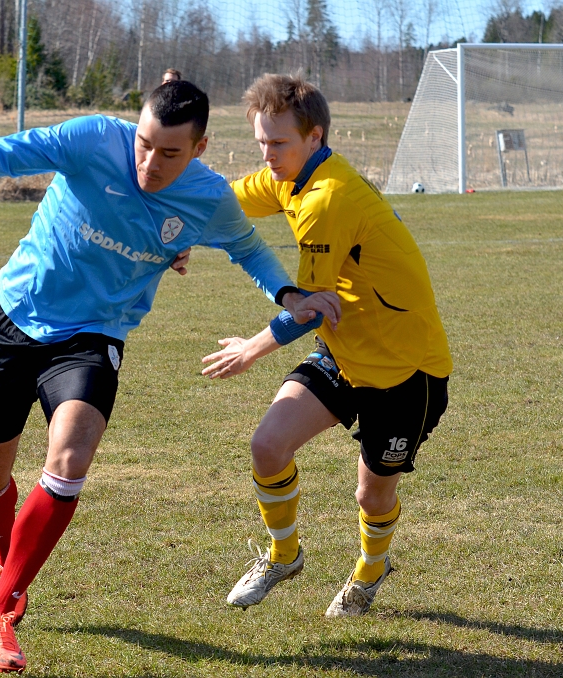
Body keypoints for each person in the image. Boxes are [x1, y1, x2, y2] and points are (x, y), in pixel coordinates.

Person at [0, 80, 334, 672]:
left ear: (199, 148)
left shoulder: (209, 198)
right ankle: (9, 557)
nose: (149, 163)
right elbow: (8, 153)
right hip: (13, 316)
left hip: (93, 336)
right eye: (143, 144)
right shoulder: (91, 139)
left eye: (169, 153)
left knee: (70, 458)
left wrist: (288, 293)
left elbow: (247, 247)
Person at [202, 73, 452, 618]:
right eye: (261, 142)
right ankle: (283, 556)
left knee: (371, 495)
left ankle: (370, 569)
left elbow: (310, 307)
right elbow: (219, 203)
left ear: (314, 136)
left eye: (278, 142)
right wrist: (171, 231)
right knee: (268, 446)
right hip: (344, 354)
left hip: (406, 373)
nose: (267, 154)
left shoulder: (327, 197)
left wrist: (249, 349)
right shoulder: (289, 176)